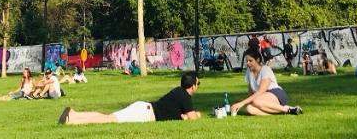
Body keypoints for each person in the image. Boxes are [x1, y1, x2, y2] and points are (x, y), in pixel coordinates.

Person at [58, 71, 201, 124]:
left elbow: (181, 116)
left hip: (144, 108)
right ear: (193, 85)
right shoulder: (185, 96)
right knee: (109, 119)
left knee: (109, 117)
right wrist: (197, 115)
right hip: (145, 113)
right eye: (198, 83)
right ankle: (72, 120)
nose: (198, 85)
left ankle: (74, 114)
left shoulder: (178, 91)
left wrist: (185, 117)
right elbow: (193, 118)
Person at [232, 52, 302, 116]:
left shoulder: (265, 69)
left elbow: (260, 91)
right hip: (261, 98)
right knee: (249, 109)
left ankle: (287, 110)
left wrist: (242, 103)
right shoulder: (249, 71)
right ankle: (286, 111)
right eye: (246, 61)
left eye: (250, 61)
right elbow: (250, 92)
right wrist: (245, 102)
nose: (248, 63)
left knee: (255, 100)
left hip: (275, 93)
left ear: (258, 60)